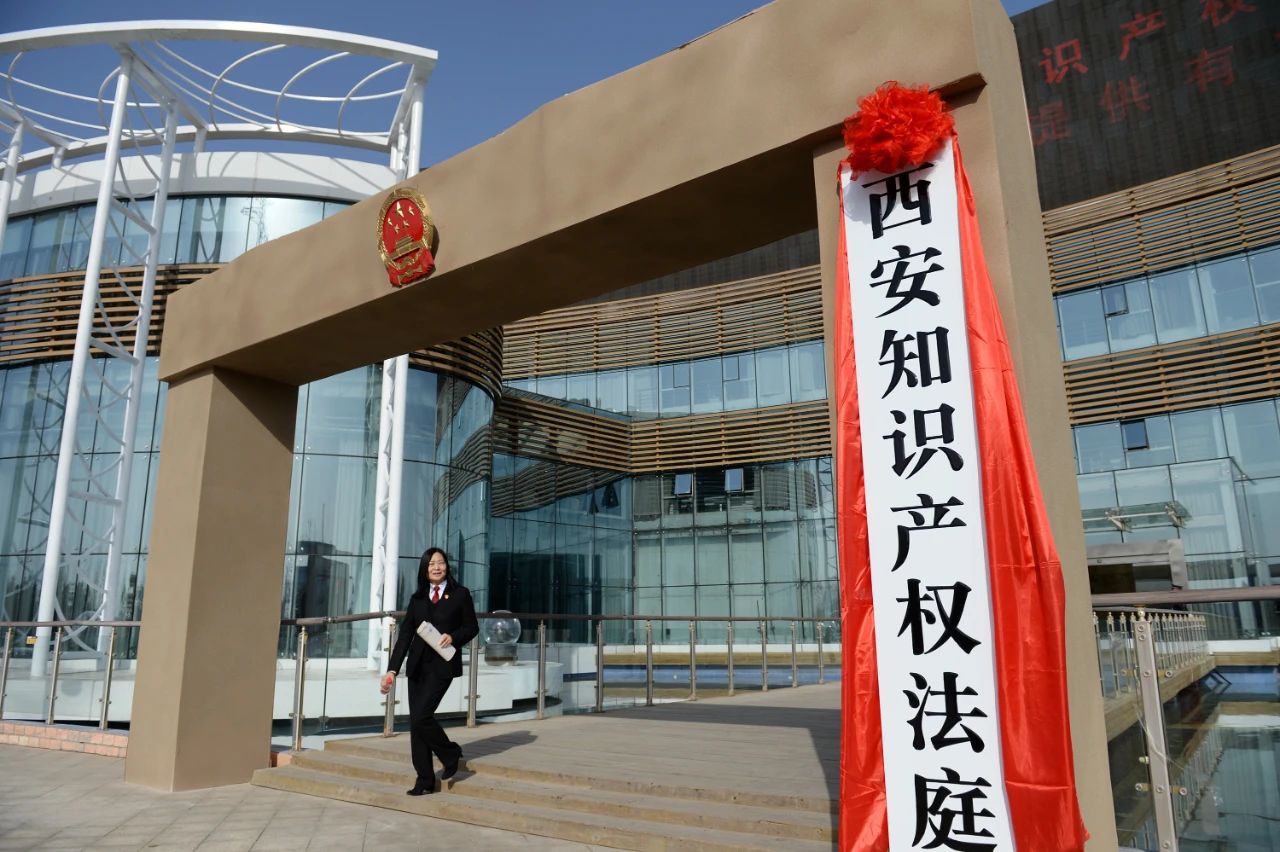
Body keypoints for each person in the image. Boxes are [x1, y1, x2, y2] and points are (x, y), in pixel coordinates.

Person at [380, 547, 479, 795]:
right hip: (417, 667)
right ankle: (424, 779)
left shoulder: (460, 594)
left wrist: (453, 637)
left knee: (422, 717)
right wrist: (392, 670)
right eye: (431, 564)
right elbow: (405, 636)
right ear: (425, 570)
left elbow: (472, 627)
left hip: (443, 665)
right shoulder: (418, 598)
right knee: (417, 725)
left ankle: (450, 753)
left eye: (440, 563)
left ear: (447, 566)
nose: (436, 567)